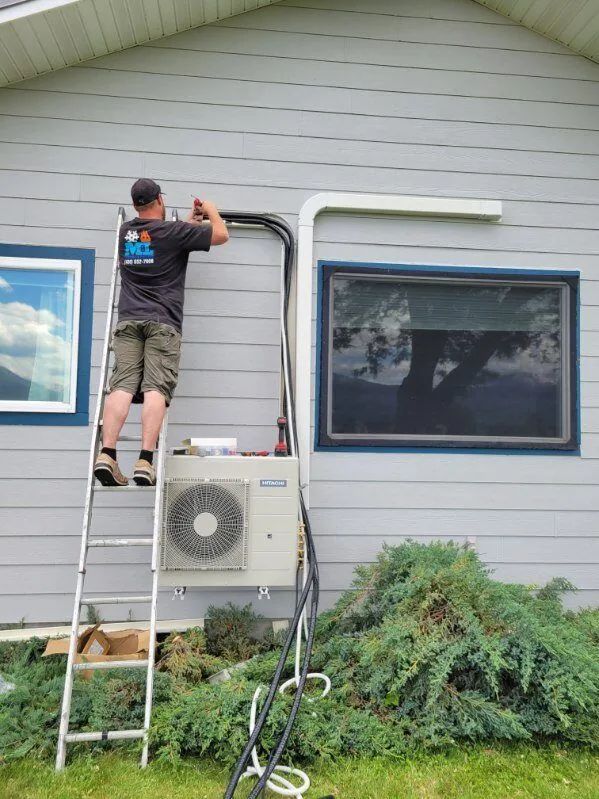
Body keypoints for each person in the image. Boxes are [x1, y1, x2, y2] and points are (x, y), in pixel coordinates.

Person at [93, 178, 229, 487]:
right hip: (162, 324)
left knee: (122, 387)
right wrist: (210, 210)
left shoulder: (125, 233)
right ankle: (145, 460)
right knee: (156, 388)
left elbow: (158, 243)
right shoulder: (174, 232)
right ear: (159, 201)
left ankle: (108, 454)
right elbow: (221, 235)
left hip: (128, 321)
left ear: (135, 205)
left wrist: (190, 225)